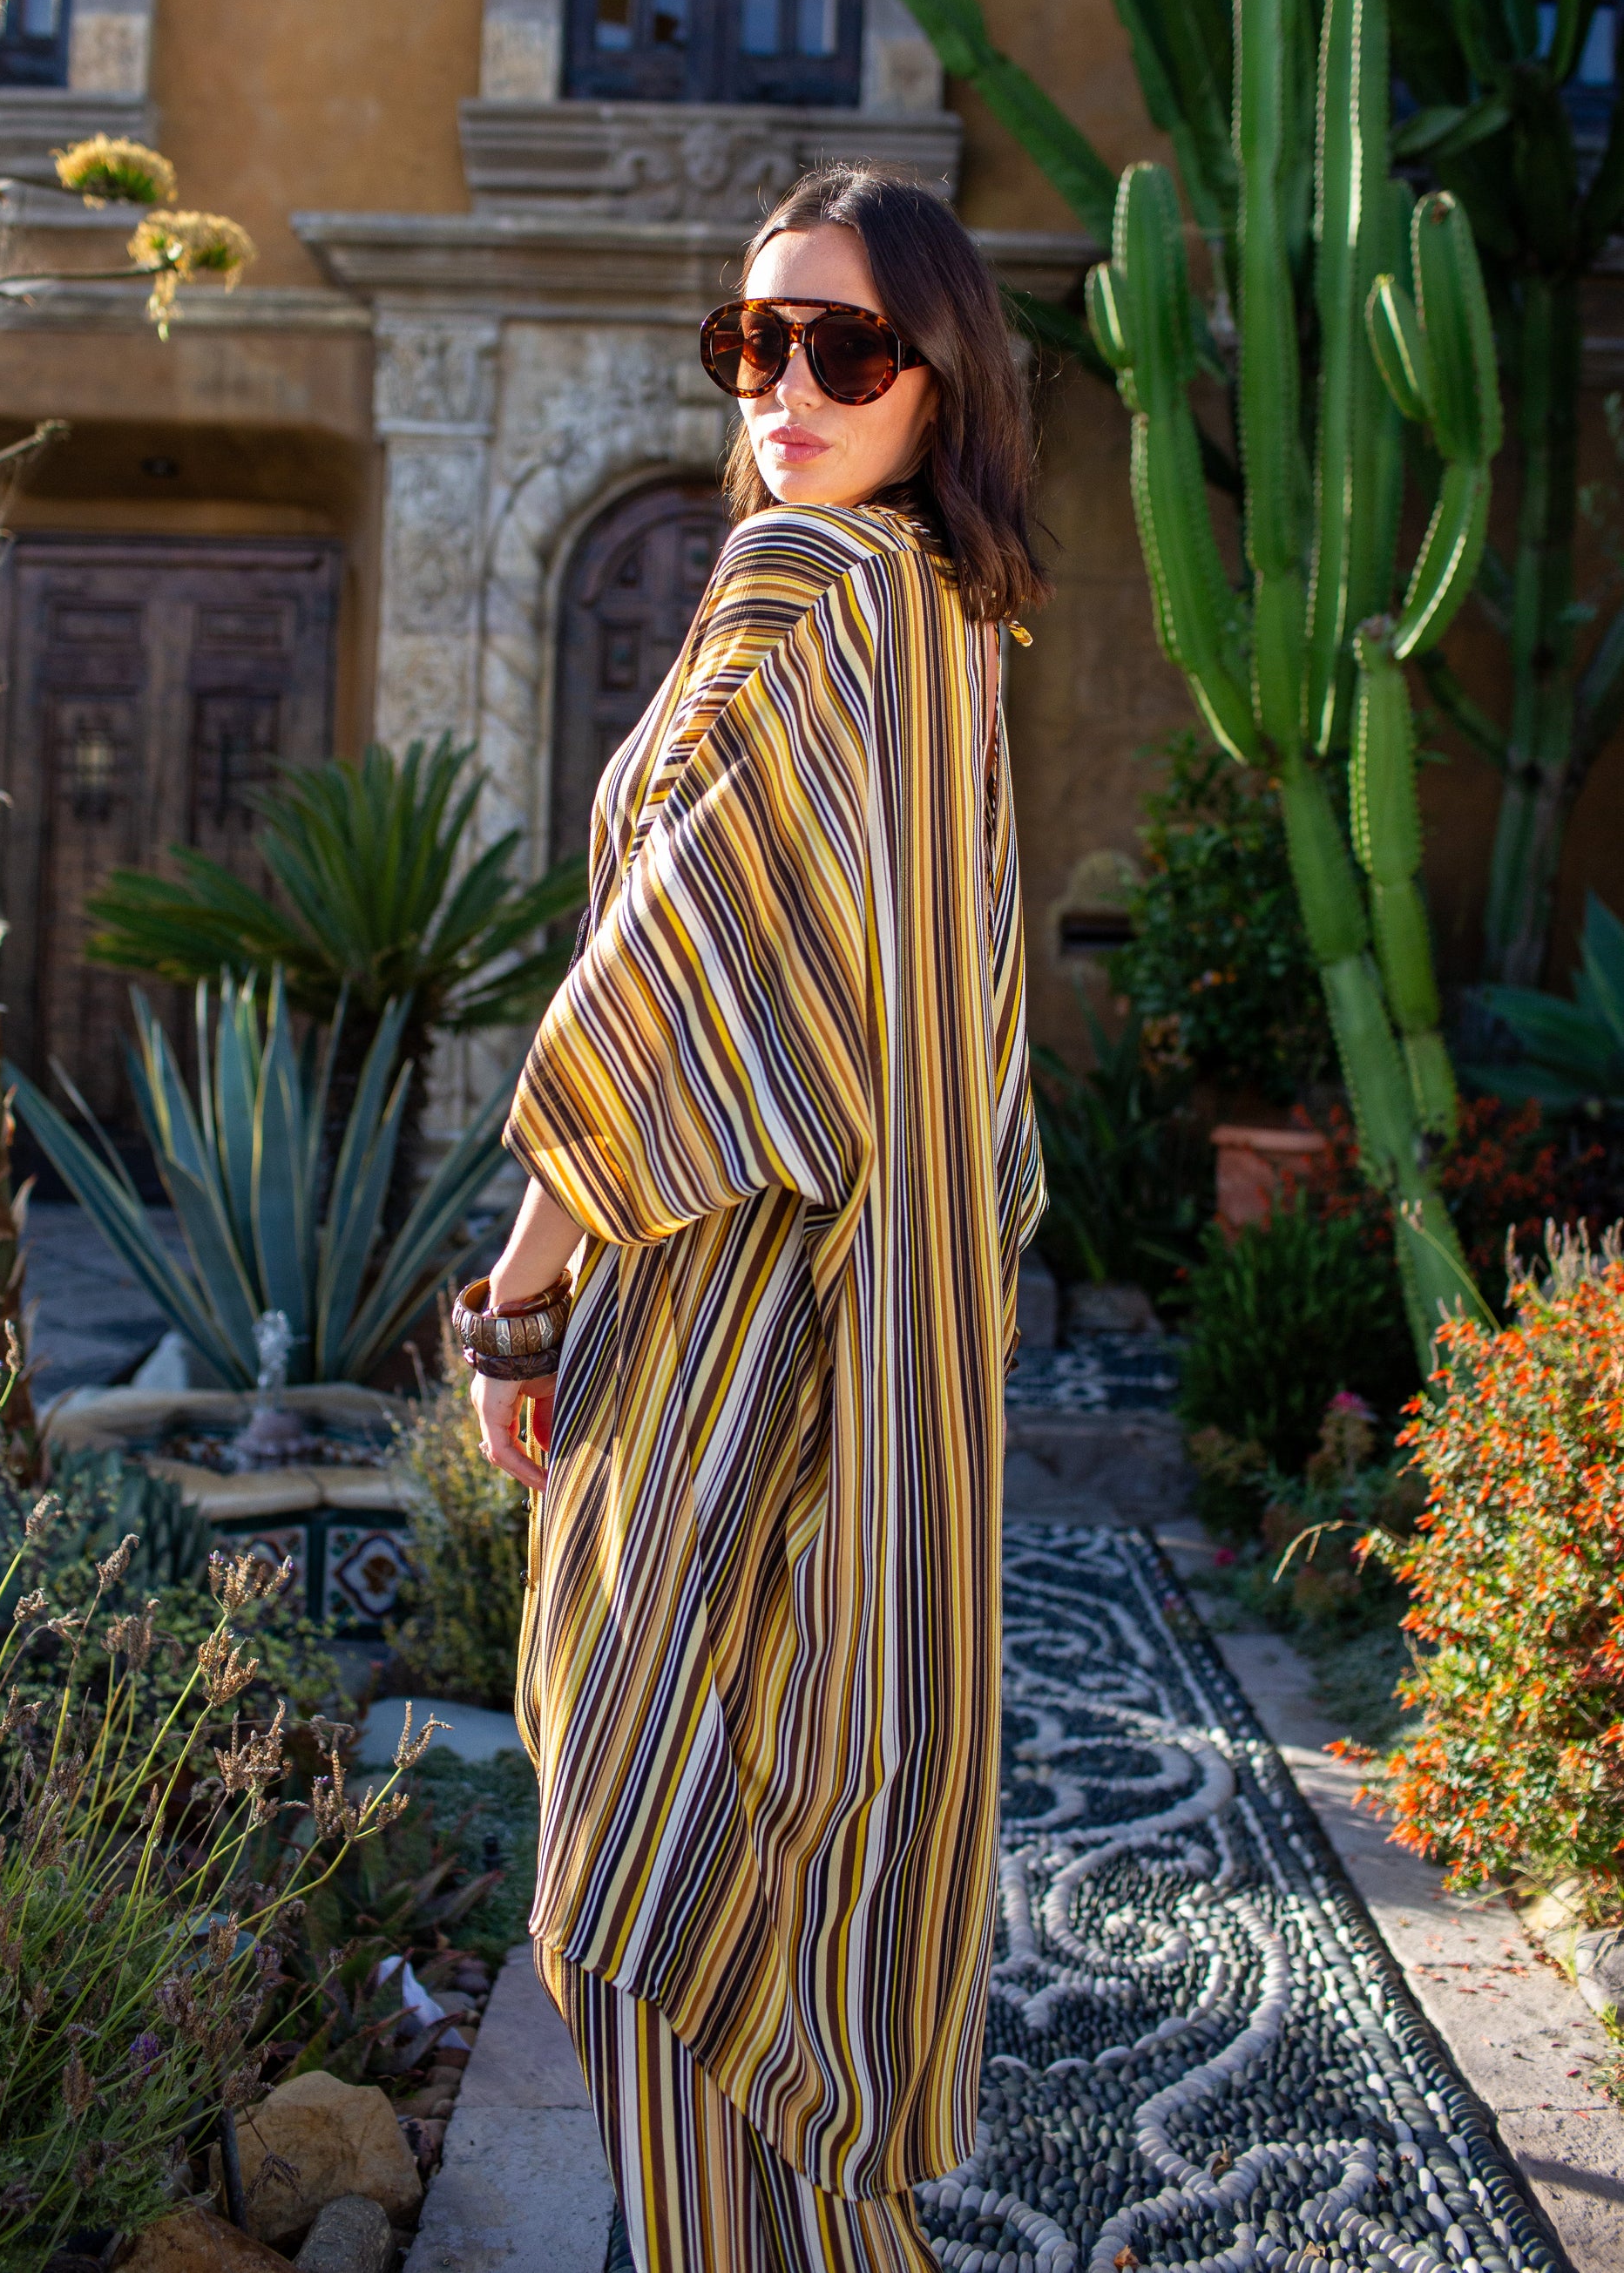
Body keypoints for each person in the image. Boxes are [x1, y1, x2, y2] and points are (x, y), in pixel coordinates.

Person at [456, 161, 1047, 2270]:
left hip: (727, 1321)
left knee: (634, 1870)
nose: (785, 384)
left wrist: (518, 1295)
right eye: (752, 339)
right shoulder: (946, 618)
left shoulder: (815, 587)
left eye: (846, 346)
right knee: (747, 1850)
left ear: (936, 377)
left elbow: (672, 971)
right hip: (838, 1336)